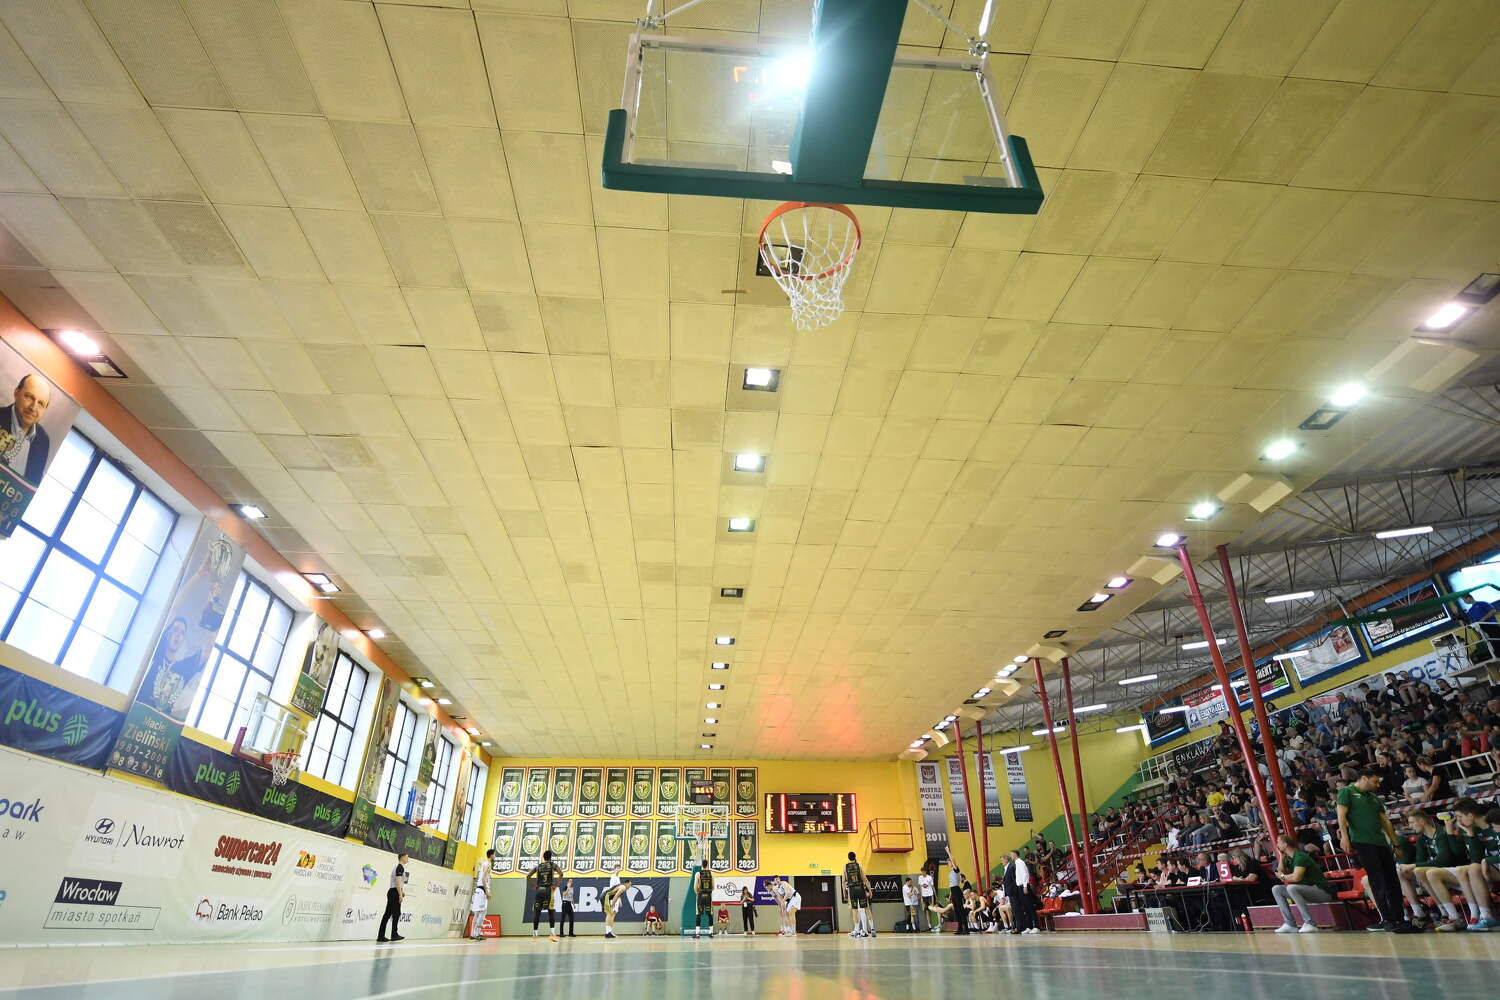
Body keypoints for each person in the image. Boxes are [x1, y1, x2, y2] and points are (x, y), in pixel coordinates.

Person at [1336, 767, 1420, 933]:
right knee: (1378, 881)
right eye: (1375, 781)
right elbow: (1341, 816)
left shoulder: (1374, 798)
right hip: (1363, 842)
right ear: (1364, 778)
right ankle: (1387, 919)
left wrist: (1395, 843)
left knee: (1393, 881)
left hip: (1381, 843)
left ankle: (1399, 918)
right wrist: (1345, 838)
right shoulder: (1347, 792)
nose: (1377, 785)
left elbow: (1385, 821)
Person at [1399, 808, 1464, 927]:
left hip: (1453, 871)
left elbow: (1443, 861)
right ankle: (1423, 913)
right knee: (1402, 873)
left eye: (1412, 822)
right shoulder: (1421, 839)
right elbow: (1420, 861)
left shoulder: (1441, 835)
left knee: (1420, 870)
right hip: (1433, 875)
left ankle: (1450, 915)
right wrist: (1411, 867)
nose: (1410, 826)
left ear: (1422, 821)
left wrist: (1413, 865)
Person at [1453, 798, 1500, 930]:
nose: (1458, 821)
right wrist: (1470, 834)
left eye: (1459, 817)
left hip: (1493, 864)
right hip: (1492, 866)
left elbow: (1481, 861)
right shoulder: (1474, 829)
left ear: (1470, 815)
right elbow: (1476, 859)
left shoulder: (1495, 821)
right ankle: (1481, 915)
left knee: (1473, 869)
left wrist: (1487, 861)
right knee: (1469, 869)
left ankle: (1484, 915)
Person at [1271, 833, 1331, 933]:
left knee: (1292, 887)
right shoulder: (1288, 858)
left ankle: (1310, 923)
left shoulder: (1300, 856)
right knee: (1276, 889)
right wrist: (1281, 856)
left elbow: (1296, 878)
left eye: (1278, 842)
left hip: (1322, 891)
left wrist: (1282, 876)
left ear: (1285, 844)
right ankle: (1290, 924)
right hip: (1307, 891)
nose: (1276, 844)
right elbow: (1279, 871)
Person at [1, 373, 53, 487]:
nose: (33, 407)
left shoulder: (43, 441)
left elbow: (32, 485)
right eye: (29, 397)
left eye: (41, 403)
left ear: (45, 409)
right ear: (16, 394)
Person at [528, 850, 563, 941]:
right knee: (550, 911)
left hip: (539, 890)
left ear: (543, 857)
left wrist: (534, 886)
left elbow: (528, 876)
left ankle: (534, 935)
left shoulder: (538, 866)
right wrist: (556, 885)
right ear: (550, 857)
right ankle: (552, 934)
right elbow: (561, 874)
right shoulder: (553, 865)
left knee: (537, 913)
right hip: (548, 890)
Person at [843, 850, 876, 938]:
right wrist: (870, 890)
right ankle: (872, 929)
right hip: (860, 889)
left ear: (848, 858)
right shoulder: (859, 866)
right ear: (855, 857)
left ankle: (857, 931)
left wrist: (844, 893)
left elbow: (843, 881)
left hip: (852, 890)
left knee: (855, 910)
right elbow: (865, 879)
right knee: (867, 909)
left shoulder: (845, 867)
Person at [377, 852, 408, 943]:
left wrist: (401, 892)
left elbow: (398, 882)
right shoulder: (400, 867)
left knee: (387, 915)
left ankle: (381, 936)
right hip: (394, 893)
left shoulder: (399, 867)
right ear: (402, 857)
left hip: (393, 891)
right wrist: (399, 894)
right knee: (396, 913)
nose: (408, 859)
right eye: (407, 857)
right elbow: (397, 881)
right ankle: (394, 935)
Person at [469, 848, 495, 939]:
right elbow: (484, 879)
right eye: (494, 854)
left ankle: (473, 934)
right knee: (483, 912)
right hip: (482, 890)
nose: (495, 856)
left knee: (477, 913)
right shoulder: (488, 864)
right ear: (491, 855)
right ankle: (477, 934)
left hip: (479, 890)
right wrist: (487, 891)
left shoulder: (484, 864)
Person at [947, 856, 968, 934]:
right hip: (953, 891)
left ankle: (966, 929)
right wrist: (950, 895)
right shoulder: (950, 872)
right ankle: (960, 929)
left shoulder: (956, 870)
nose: (948, 864)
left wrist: (948, 852)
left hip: (957, 891)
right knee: (956, 911)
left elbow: (953, 860)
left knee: (961, 910)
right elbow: (951, 884)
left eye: (949, 862)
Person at [692, 865, 714, 937]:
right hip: (708, 896)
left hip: (700, 895)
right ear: (707, 865)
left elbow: (695, 886)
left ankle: (697, 933)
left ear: (702, 866)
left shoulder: (698, 874)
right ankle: (711, 933)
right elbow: (713, 886)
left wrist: (697, 892)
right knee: (710, 914)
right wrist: (709, 892)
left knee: (698, 914)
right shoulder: (711, 874)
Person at [917, 866, 936, 931]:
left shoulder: (929, 877)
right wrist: (921, 896)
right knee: (927, 911)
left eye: (923, 871)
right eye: (922, 872)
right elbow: (920, 887)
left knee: (933, 909)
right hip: (924, 896)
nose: (922, 873)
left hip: (930, 895)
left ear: (926, 871)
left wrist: (935, 896)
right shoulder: (920, 877)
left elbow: (933, 887)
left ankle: (941, 920)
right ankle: (929, 926)